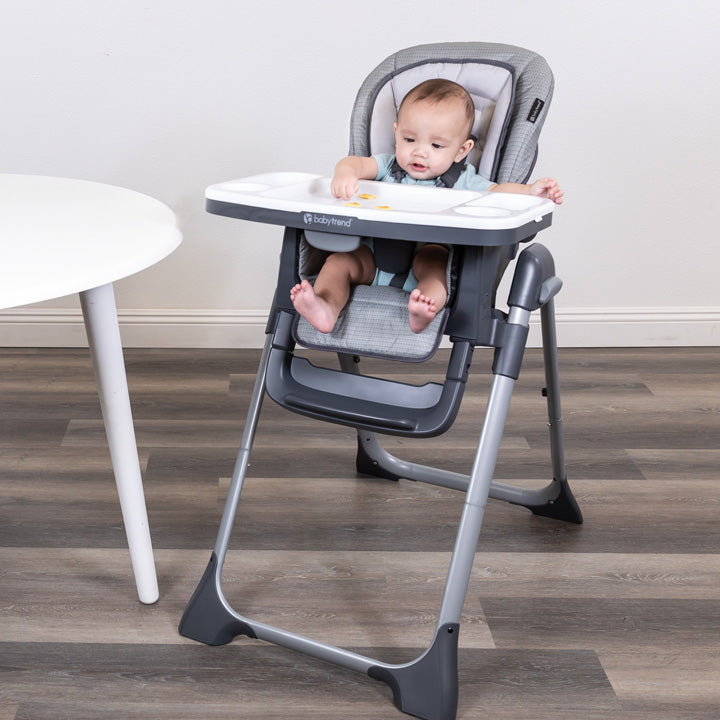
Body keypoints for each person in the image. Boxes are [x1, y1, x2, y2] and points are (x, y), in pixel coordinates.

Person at [291, 78, 564, 334]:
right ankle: (326, 305)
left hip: (423, 259)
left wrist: (530, 191)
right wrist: (345, 174)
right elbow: (353, 162)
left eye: (436, 145)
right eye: (410, 140)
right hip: (372, 258)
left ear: (461, 150)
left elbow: (497, 192)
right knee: (338, 262)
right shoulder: (387, 166)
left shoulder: (462, 180)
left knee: (433, 263)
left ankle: (424, 309)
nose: (420, 152)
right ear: (396, 133)